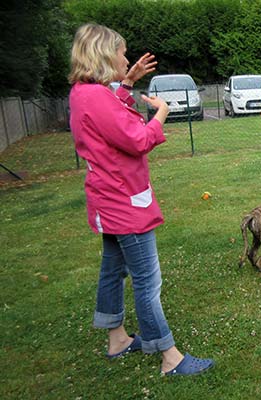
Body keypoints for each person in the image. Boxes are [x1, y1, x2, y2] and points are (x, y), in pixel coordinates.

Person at [68, 23, 213, 376]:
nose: (126, 58)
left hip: (108, 197)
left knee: (113, 269)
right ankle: (169, 357)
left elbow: (110, 122)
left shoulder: (84, 92)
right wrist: (162, 115)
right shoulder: (95, 96)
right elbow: (135, 139)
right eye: (121, 53)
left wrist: (128, 83)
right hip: (124, 201)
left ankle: (116, 338)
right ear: (104, 55)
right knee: (148, 280)